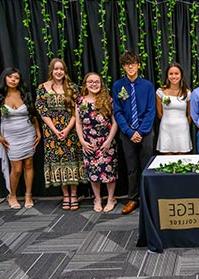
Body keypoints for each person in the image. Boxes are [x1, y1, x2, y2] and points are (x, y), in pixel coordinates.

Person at [35, 58, 87, 210]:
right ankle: (66, 195)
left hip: (71, 132)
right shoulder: (42, 88)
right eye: (56, 69)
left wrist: (67, 129)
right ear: (51, 70)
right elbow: (42, 111)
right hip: (52, 133)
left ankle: (74, 195)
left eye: (61, 69)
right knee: (58, 163)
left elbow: (76, 110)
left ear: (65, 71)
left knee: (73, 161)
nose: (59, 72)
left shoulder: (72, 87)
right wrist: (55, 130)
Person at [112, 51, 155, 215]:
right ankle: (133, 198)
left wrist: (141, 131)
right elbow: (118, 112)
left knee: (146, 166)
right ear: (123, 67)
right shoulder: (118, 86)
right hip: (127, 133)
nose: (130, 66)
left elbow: (151, 111)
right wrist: (130, 132)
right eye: (127, 64)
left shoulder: (148, 85)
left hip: (146, 132)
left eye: (133, 63)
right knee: (131, 168)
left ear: (138, 65)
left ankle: (147, 197)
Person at [76, 72, 118, 213]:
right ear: (85, 84)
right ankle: (97, 199)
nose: (94, 84)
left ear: (101, 84)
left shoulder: (108, 100)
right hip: (89, 143)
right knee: (93, 173)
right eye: (90, 82)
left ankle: (111, 198)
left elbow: (115, 123)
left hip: (107, 142)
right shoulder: (80, 101)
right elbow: (78, 123)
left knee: (109, 172)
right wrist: (82, 141)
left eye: (97, 82)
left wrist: (109, 140)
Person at [0, 68, 41, 209]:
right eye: (10, 77)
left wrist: (37, 131)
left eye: (16, 78)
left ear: (19, 80)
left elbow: (33, 114)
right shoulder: (1, 96)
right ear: (5, 78)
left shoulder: (25, 95)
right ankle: (12, 195)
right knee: (16, 169)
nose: (13, 80)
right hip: (10, 137)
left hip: (28, 133)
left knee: (29, 164)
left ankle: (28, 195)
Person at [156, 63, 192, 154]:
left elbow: (190, 114)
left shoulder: (187, 93)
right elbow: (159, 113)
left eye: (176, 73)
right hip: (166, 128)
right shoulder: (160, 92)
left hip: (182, 129)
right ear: (167, 76)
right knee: (167, 160)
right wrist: (169, 121)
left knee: (182, 160)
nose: (174, 76)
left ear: (181, 75)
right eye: (171, 74)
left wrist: (182, 123)